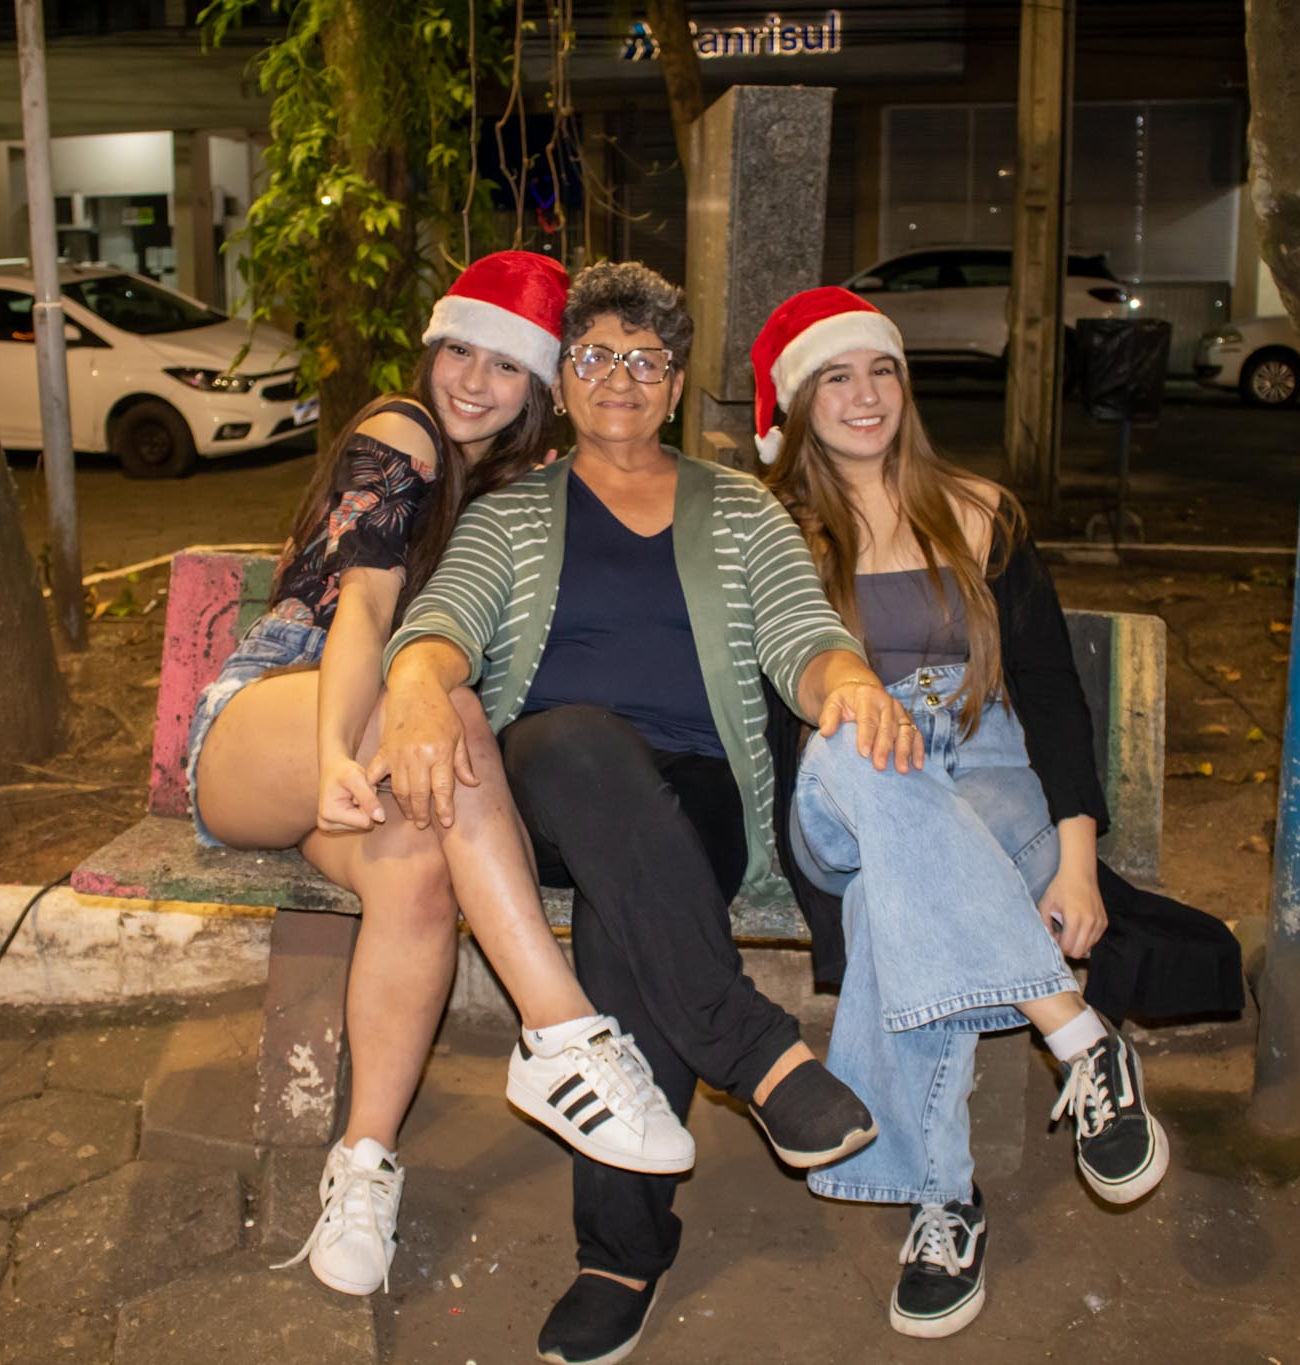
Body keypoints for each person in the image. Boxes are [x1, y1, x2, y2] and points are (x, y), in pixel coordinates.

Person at [375, 261, 919, 1365]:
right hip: (547, 787)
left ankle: (619, 1255)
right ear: (563, 382)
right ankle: (756, 1054)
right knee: (575, 741)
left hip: (696, 797)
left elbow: (802, 637)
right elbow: (442, 623)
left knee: (628, 917)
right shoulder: (512, 514)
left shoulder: (742, 508)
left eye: (646, 360)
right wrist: (417, 681)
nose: (619, 377)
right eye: (594, 356)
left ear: (672, 389)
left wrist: (849, 682)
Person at [187, 252, 693, 1300]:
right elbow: (365, 610)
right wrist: (337, 749)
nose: (472, 380)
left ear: (538, 387)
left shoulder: (510, 482)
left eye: (505, 366)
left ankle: (363, 1165)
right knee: (441, 709)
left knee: (416, 871)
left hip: (371, 758)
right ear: (430, 349)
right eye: (459, 350)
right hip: (272, 721)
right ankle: (559, 1029)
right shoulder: (403, 431)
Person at [754, 287, 1169, 1341]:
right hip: (843, 790)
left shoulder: (981, 512)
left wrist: (1076, 859)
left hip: (984, 769)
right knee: (859, 730)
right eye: (834, 377)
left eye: (880, 371)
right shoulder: (775, 533)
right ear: (798, 405)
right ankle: (1076, 1035)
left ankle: (943, 1205)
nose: (863, 395)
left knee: (901, 898)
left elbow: (1051, 693)